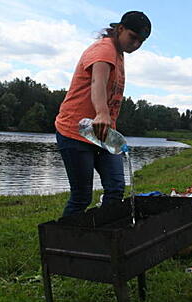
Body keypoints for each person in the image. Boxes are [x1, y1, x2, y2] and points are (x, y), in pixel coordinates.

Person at [54, 11, 152, 217]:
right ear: (120, 29)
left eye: (140, 41)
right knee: (81, 196)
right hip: (76, 131)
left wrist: (107, 121)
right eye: (133, 37)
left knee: (115, 188)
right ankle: (68, 242)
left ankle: (104, 235)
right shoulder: (104, 49)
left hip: (102, 134)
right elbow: (97, 83)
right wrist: (101, 113)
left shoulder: (119, 54)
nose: (135, 44)